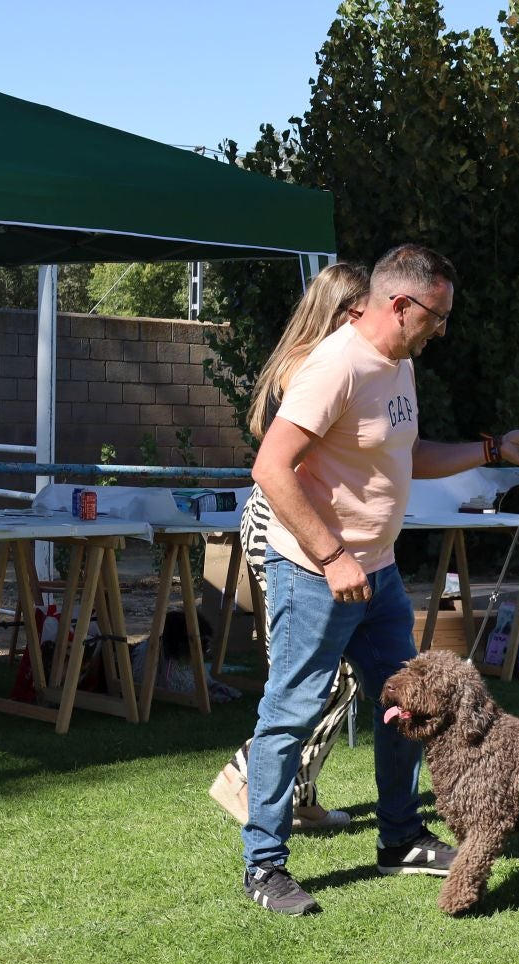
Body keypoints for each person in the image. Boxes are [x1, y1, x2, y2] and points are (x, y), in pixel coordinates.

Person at [238, 244, 519, 916]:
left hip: (376, 576)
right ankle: (263, 865)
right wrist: (331, 555)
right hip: (316, 574)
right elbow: (271, 468)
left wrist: (493, 448)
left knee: (405, 710)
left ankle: (401, 838)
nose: (441, 330)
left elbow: (410, 454)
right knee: (290, 715)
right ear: (400, 304)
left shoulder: (396, 366)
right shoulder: (336, 367)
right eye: (436, 316)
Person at [209, 262, 370, 833]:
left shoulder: (319, 363)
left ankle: (297, 794)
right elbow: (289, 471)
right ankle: (249, 777)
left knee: (336, 676)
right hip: (284, 527)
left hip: (292, 524)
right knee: (310, 678)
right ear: (346, 312)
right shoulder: (315, 370)